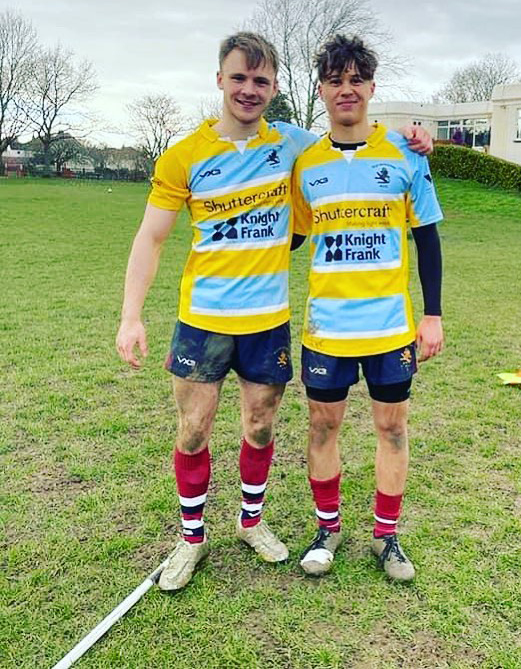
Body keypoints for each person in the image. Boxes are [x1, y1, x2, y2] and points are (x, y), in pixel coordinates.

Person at [115, 32, 433, 591]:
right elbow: (151, 237)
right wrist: (131, 314)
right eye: (239, 78)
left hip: (269, 320)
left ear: (277, 88)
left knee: (261, 427)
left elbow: (351, 137)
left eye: (261, 80)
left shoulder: (294, 145)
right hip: (203, 319)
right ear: (220, 79)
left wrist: (417, 139)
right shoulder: (184, 155)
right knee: (192, 431)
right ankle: (191, 540)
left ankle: (251, 523)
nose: (249, 90)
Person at [292, 35, 444, 582]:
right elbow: (290, 237)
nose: (346, 89)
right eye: (336, 80)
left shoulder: (406, 153)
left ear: (372, 88)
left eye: (357, 79)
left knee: (392, 428)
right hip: (327, 326)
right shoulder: (306, 162)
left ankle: (386, 536)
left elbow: (427, 237)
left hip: (389, 326)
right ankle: (327, 528)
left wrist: (433, 314)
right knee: (322, 427)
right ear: (323, 90)